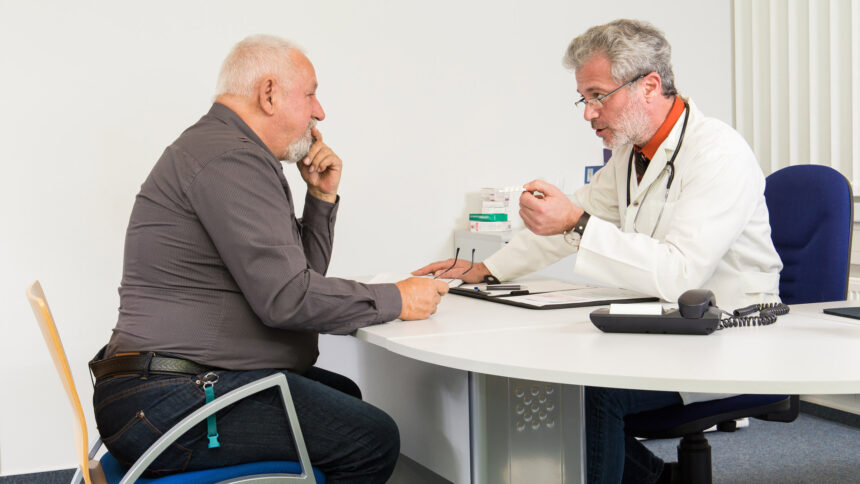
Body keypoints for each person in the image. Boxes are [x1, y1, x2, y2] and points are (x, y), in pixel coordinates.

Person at [414, 19, 782, 484]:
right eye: (583, 98)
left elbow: (679, 274)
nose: (588, 113)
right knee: (561, 370)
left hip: (728, 336)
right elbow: (572, 219)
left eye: (598, 95)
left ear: (649, 86)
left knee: (593, 394)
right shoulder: (633, 153)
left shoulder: (718, 153)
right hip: (663, 328)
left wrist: (576, 221)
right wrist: (487, 268)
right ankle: (659, 479)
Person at [90, 34, 449, 483]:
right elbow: (289, 300)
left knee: (345, 396)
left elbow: (297, 278)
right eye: (311, 94)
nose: (320, 112)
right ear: (269, 94)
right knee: (372, 438)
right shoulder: (230, 157)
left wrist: (319, 198)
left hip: (158, 393)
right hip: (167, 402)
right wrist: (399, 298)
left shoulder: (225, 148)